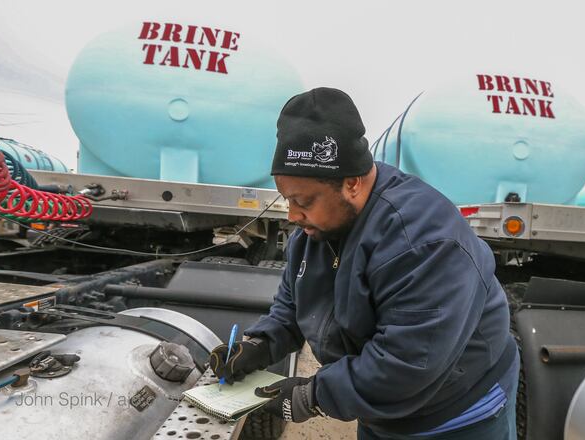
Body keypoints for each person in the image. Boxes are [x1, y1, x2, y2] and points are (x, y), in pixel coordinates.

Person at [210, 87, 519, 439]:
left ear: (352, 183)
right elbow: (293, 306)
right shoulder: (315, 233)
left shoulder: (422, 241)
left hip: (457, 413)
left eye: (303, 200)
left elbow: (407, 362)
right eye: (286, 199)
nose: (294, 215)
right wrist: (259, 345)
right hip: (384, 410)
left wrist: (312, 395)